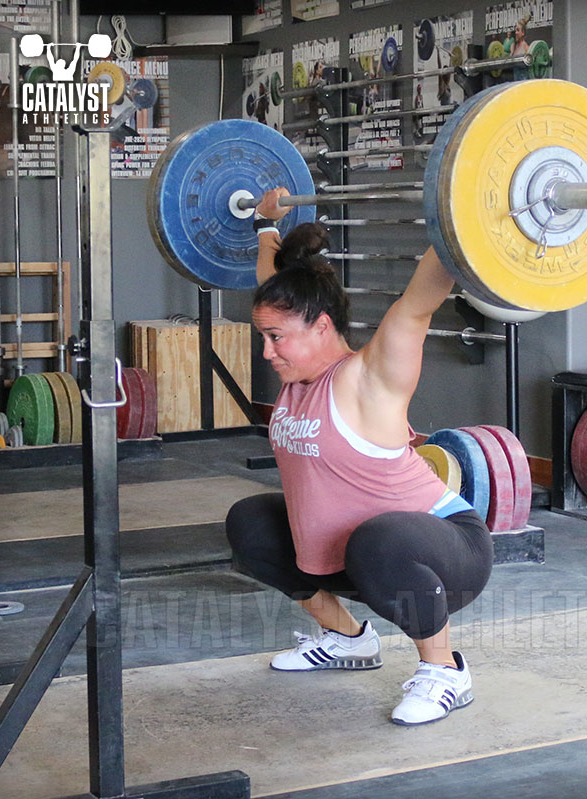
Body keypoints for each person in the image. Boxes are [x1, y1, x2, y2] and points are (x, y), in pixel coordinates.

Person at [226, 188, 494, 726]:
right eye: (264, 336)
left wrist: (467, 206)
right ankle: (347, 639)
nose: (266, 351)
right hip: (356, 553)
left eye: (275, 338)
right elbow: (274, 288)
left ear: (322, 327)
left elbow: (418, 303)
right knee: (251, 522)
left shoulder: (366, 378)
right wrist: (264, 224)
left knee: (379, 539)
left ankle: (445, 671)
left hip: (442, 551)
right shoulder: (296, 360)